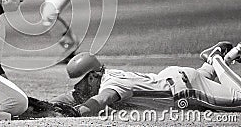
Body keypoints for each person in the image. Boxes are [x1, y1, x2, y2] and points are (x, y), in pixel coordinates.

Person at [52, 41, 241, 116]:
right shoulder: (103, 79)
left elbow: (102, 101)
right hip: (175, 78)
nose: (77, 88)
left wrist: (76, 113)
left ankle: (215, 57)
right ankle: (223, 58)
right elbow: (73, 96)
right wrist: (45, 105)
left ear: (93, 77)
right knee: (204, 77)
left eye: (80, 83)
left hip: (185, 90)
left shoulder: (111, 85)